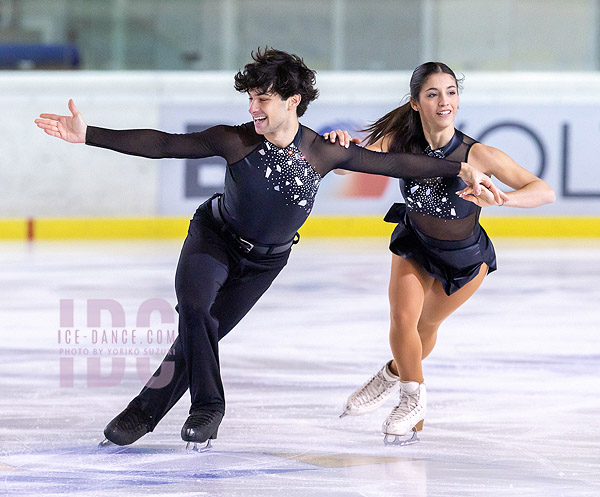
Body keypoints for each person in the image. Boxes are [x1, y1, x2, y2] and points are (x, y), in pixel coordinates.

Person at [35, 49, 502, 450]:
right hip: (213, 239)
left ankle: (142, 411)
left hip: (265, 262)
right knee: (194, 310)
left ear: (292, 101)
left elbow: (394, 162)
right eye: (251, 99)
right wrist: (89, 134)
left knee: (203, 333)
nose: (254, 108)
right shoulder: (235, 140)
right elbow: (163, 144)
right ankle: (207, 408)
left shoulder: (321, 152)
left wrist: (461, 168)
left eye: (263, 99)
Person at [326, 62, 555, 445]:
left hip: (464, 258)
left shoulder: (479, 155)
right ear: (416, 103)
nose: (444, 101)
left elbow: (543, 190)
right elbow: (348, 168)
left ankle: (390, 374)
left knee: (423, 328)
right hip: (414, 242)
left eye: (450, 92)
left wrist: (502, 201)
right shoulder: (400, 141)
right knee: (402, 319)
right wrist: (340, 147)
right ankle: (412, 399)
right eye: (432, 94)